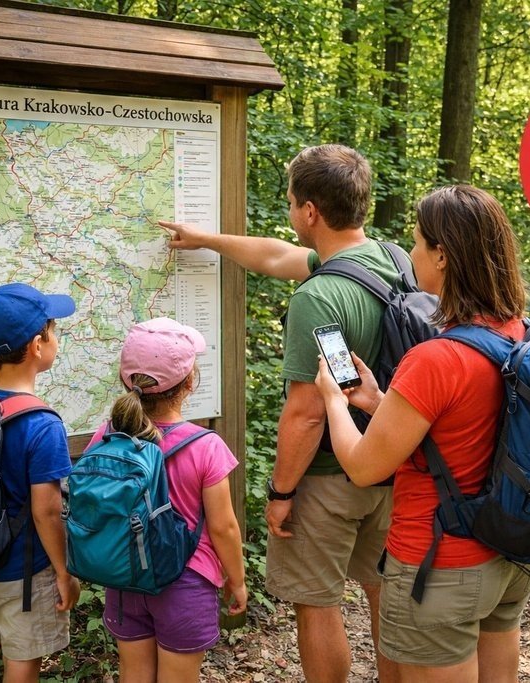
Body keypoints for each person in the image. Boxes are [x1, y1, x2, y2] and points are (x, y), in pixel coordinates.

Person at [162, 144, 401, 683]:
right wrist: (206, 240)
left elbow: (307, 414)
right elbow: (275, 257)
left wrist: (281, 492)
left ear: (310, 211)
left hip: (328, 477)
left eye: (292, 202)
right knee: (385, 593)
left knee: (316, 603)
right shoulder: (391, 260)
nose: (290, 211)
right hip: (389, 460)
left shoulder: (320, 297)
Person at [314, 184, 530, 683]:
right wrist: (379, 402)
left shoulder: (435, 358)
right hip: (507, 552)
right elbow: (461, 426)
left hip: (440, 566)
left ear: (442, 254)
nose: (410, 254)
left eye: (416, 242)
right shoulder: (519, 332)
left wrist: (333, 400)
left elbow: (363, 467)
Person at [87, 317, 247, 683]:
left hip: (125, 577)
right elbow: (223, 527)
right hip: (186, 582)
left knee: (134, 674)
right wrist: (237, 580)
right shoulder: (206, 446)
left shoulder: (107, 436)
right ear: (189, 384)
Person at [0, 282, 82, 683]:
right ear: (36, 345)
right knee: (23, 660)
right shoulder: (41, 423)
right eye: (52, 329)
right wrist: (63, 572)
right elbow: (47, 511)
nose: (55, 337)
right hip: (22, 572)